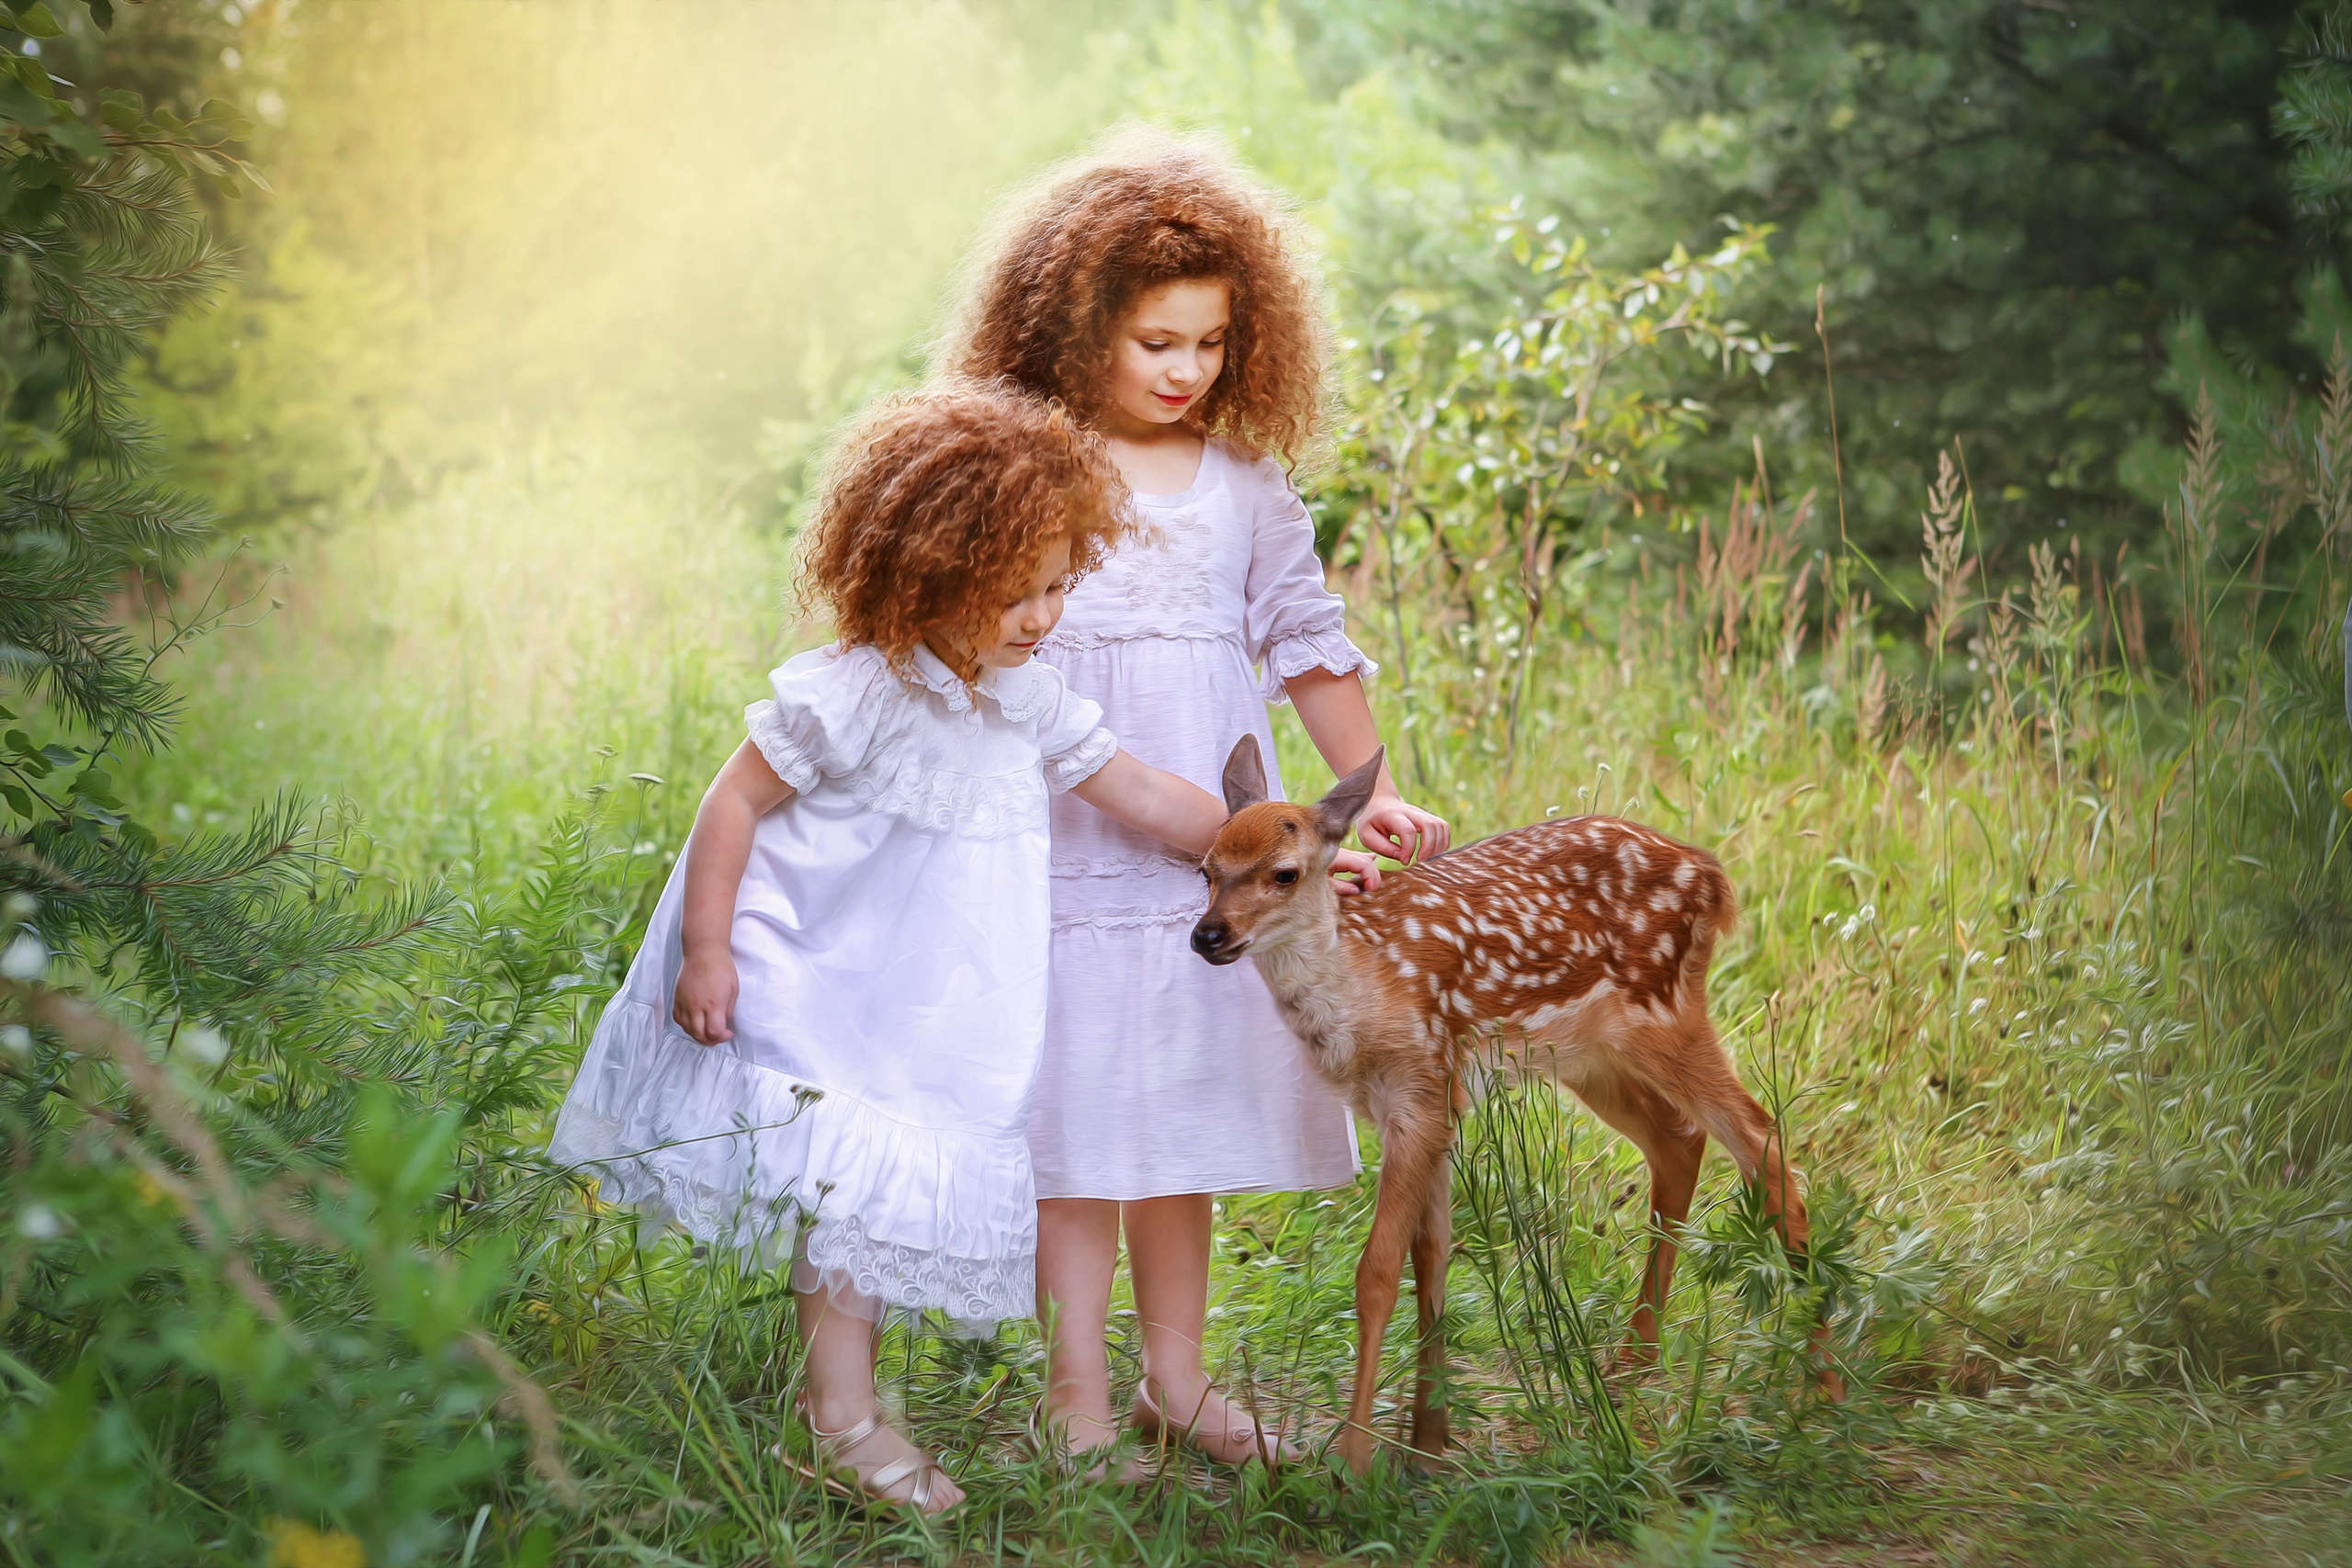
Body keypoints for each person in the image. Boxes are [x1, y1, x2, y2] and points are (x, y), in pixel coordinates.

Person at [548, 383, 1236, 1514]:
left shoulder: (1026, 699)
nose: (1039, 618)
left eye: (1058, 587)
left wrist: (1268, 843)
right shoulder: (859, 689)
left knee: (872, 1197)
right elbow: (730, 806)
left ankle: (840, 1420)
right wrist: (705, 952)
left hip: (929, 1001)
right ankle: (842, 1421)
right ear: (926, 575)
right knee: (844, 1186)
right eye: (1011, 595)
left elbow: (1143, 792)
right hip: (816, 969)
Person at [941, 133, 1452, 1472]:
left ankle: (1176, 1375)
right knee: (1079, 1123)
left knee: (1176, 1112)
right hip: (1068, 839)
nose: (1185, 371)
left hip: (1221, 862)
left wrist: (1375, 793)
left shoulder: (1244, 485)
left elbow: (1307, 639)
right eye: (1155, 341)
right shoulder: (1032, 467)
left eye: (1211, 345)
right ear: (1072, 330)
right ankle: (1076, 1398)